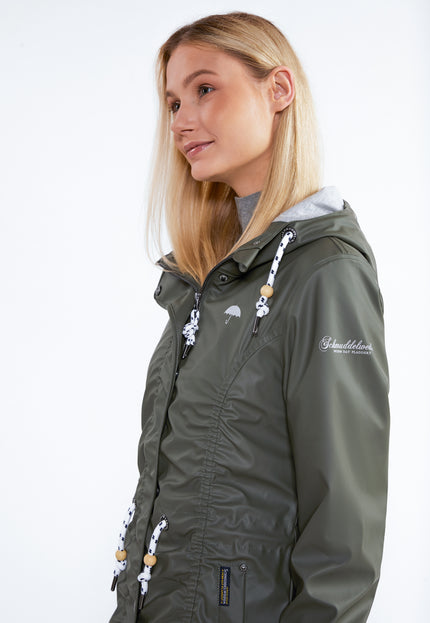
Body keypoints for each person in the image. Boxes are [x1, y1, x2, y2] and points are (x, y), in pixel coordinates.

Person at [109, 12, 390, 623]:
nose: (181, 121)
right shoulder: (209, 277)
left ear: (278, 90)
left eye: (205, 89)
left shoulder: (324, 271)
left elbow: (343, 536)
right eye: (174, 102)